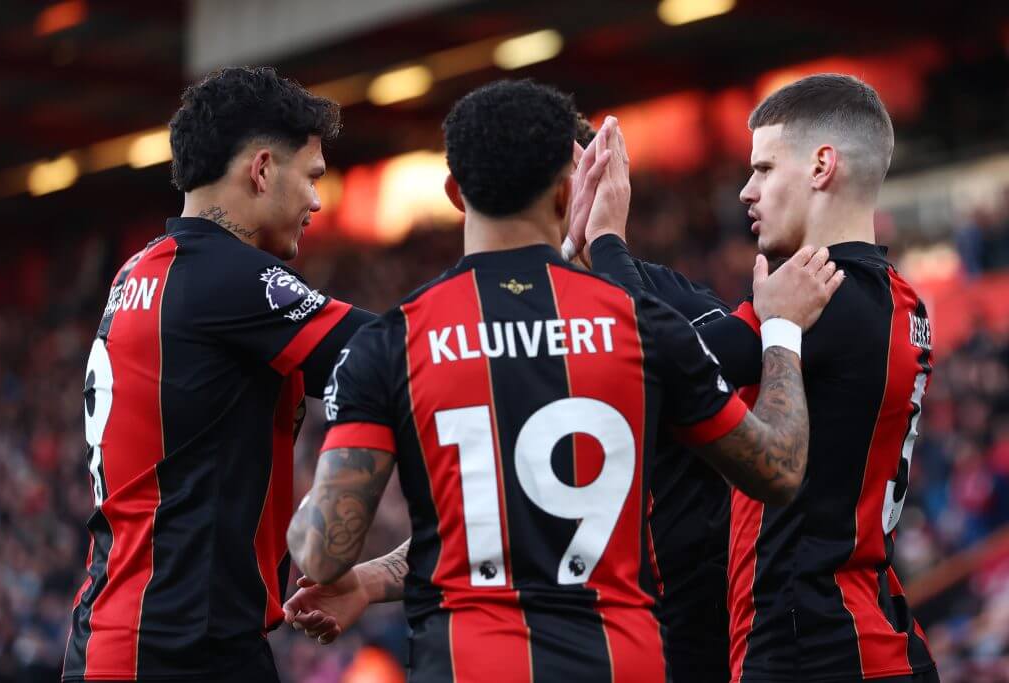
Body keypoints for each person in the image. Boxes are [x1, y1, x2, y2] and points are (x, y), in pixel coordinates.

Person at [285, 79, 842, 682]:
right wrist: (781, 331)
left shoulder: (391, 342)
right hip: (622, 663)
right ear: (565, 190)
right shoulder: (644, 325)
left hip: (468, 667)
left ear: (453, 192)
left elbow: (323, 550)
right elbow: (778, 470)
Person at [584, 74, 938, 683]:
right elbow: (697, 333)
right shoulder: (893, 297)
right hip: (868, 627)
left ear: (822, 166)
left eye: (765, 169)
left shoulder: (821, 297)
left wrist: (605, 241)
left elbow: (654, 360)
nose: (747, 191)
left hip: (814, 645)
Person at [62, 66, 375, 683]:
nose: (316, 202)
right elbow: (400, 354)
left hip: (145, 636)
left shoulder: (143, 272)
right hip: (174, 651)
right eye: (312, 177)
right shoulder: (223, 278)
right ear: (262, 170)